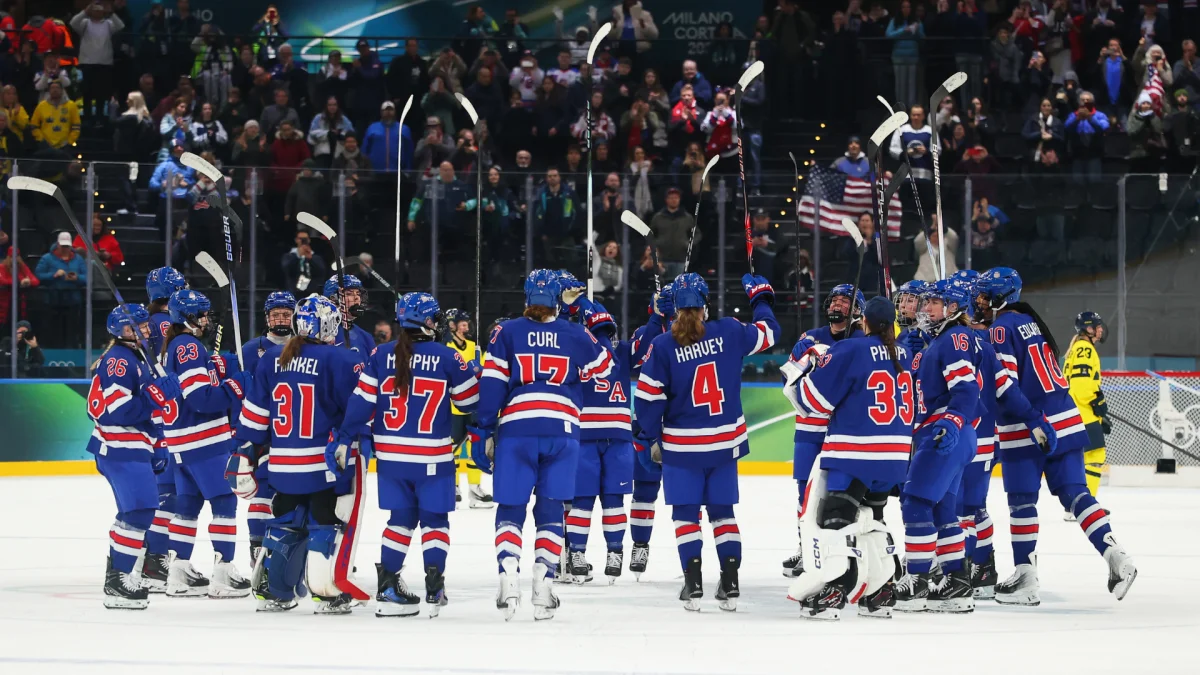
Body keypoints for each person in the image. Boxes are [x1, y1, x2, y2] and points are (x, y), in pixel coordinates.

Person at [974, 267, 1136, 605]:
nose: (979, 301)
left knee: (1021, 503)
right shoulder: (1027, 321)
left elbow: (1005, 385)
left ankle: (1025, 576)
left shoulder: (1001, 329)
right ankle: (1116, 555)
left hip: (1029, 425)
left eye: (984, 294)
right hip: (1067, 417)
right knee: (1077, 496)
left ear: (1000, 296)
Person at [472, 269, 615, 621]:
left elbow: (492, 384)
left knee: (511, 507)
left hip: (517, 426)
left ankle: (508, 578)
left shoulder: (506, 331)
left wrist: (482, 430)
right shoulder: (574, 332)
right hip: (562, 428)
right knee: (551, 509)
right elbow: (606, 366)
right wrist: (581, 307)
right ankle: (543, 585)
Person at [635, 272, 778, 611]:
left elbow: (647, 399)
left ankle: (693, 583)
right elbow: (770, 333)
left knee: (686, 515)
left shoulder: (664, 345)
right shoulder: (729, 330)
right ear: (705, 306)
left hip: (683, 447)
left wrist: (651, 435)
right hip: (725, 444)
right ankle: (730, 582)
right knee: (723, 514)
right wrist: (760, 299)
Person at [334, 292, 480, 617]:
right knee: (434, 522)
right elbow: (471, 404)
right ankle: (434, 584)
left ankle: (387, 586)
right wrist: (473, 371)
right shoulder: (446, 356)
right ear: (427, 322)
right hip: (433, 457)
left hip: (389, 458)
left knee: (400, 521)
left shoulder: (380, 353)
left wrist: (345, 437)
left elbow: (360, 403)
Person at [232, 294, 364, 613]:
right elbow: (358, 413)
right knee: (324, 522)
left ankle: (274, 591)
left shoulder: (273, 357)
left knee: (286, 521)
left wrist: (245, 456)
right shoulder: (341, 360)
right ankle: (326, 592)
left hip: (281, 463)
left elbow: (254, 416)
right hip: (324, 463)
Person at [781, 296, 910, 619]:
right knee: (873, 517)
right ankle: (881, 590)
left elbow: (812, 402)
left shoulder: (851, 350)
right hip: (896, 454)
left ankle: (838, 587)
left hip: (855, 452)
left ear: (862, 321)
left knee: (834, 520)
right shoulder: (906, 352)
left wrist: (799, 370)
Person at [158, 289, 252, 599]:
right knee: (224, 502)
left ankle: (179, 571)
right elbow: (201, 399)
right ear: (187, 317)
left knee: (187, 505)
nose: (205, 319)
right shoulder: (188, 346)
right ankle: (224, 571)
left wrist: (216, 371)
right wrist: (236, 386)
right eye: (201, 314)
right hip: (205, 441)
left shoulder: (175, 345)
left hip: (181, 444)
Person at [87, 304, 181, 609]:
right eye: (132, 328)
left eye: (142, 326)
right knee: (140, 511)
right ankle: (119, 580)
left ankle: (118, 574)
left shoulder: (138, 356)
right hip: (119, 446)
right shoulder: (118, 360)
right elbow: (119, 411)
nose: (140, 331)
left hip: (132, 446)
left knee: (134, 512)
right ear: (119, 332)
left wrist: (158, 442)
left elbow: (145, 412)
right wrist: (157, 395)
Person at [562, 294, 654, 584]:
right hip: (586, 434)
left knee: (613, 498)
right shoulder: (574, 347)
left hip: (615, 436)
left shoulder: (623, 350)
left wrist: (656, 315)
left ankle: (615, 551)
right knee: (582, 499)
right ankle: (577, 551)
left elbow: (650, 341)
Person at [779, 283, 865, 577]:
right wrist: (799, 361)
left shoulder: (863, 341)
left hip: (845, 433)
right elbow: (787, 383)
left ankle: (846, 551)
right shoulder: (811, 337)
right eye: (835, 299)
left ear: (857, 310)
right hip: (808, 430)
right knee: (805, 493)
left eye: (845, 301)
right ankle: (808, 549)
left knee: (846, 495)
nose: (838, 305)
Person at [234, 291, 296, 561]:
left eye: (286, 314)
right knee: (263, 490)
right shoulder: (250, 349)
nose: (281, 319)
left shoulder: (304, 346)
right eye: (276, 314)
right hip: (262, 431)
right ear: (267, 318)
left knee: (292, 490)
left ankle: (286, 547)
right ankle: (257, 547)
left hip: (295, 432)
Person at [625, 285, 672, 578]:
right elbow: (638, 356)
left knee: (695, 499)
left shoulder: (696, 330)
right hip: (649, 423)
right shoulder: (646, 331)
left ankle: (697, 558)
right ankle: (640, 544)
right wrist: (657, 319)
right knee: (644, 489)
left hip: (686, 422)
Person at [1062, 311, 1111, 520]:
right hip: (1084, 411)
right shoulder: (1085, 349)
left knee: (1079, 458)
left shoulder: (1075, 349)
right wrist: (1097, 403)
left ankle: (1073, 506)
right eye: (1097, 326)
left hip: (1074, 411)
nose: (1100, 330)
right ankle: (1086, 506)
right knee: (1095, 456)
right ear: (1088, 329)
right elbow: (1082, 386)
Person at [442, 308, 492, 509]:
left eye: (466, 323)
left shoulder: (474, 346)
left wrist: (480, 369)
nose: (466, 326)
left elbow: (482, 375)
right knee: (451, 448)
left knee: (474, 447)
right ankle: (452, 487)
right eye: (462, 323)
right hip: (452, 406)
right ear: (452, 325)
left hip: (473, 404)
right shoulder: (444, 347)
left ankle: (474, 489)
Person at [35, 233, 89, 348]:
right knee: (53, 331)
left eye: (67, 246)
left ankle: (71, 355)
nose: (65, 248)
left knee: (71, 331)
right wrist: (53, 275)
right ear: (58, 244)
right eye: (63, 246)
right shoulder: (47, 258)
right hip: (53, 300)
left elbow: (87, 278)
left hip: (73, 301)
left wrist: (77, 278)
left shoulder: (78, 259)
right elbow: (38, 275)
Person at [322, 275, 375, 356]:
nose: (357, 298)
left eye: (358, 293)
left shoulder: (366, 337)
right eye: (349, 294)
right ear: (333, 299)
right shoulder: (321, 335)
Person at [30, 80, 80, 150]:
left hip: (65, 146)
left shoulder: (71, 105)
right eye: (52, 88)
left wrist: (70, 141)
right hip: (45, 145)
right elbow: (34, 126)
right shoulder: (41, 106)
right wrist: (41, 140)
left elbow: (76, 126)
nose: (55, 90)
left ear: (62, 90)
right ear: (49, 91)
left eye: (57, 88)